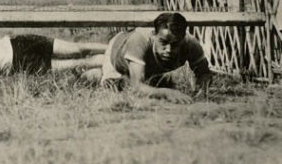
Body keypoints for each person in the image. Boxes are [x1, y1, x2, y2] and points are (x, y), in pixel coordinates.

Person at [83, 12, 212, 103]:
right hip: (118, 56)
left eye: (175, 44)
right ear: (153, 35)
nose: (169, 50)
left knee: (152, 83)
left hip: (148, 66)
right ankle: (91, 71)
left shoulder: (190, 43)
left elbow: (204, 73)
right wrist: (167, 93)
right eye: (163, 42)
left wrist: (201, 92)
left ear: (183, 38)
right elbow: (136, 87)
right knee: (112, 88)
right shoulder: (139, 40)